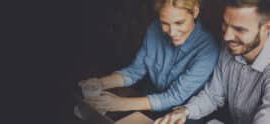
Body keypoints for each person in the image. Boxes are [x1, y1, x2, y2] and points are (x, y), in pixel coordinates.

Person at [80, 0, 219, 113]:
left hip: (182, 114)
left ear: (195, 11)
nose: (172, 32)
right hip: (146, 102)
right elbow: (135, 71)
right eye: (165, 23)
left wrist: (119, 104)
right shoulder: (154, 28)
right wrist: (99, 84)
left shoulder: (208, 50)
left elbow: (174, 96)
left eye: (179, 23)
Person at [153, 0, 270, 123]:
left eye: (239, 30)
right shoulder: (231, 48)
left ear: (267, 28)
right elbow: (212, 96)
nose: (226, 37)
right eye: (225, 24)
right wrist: (184, 111)